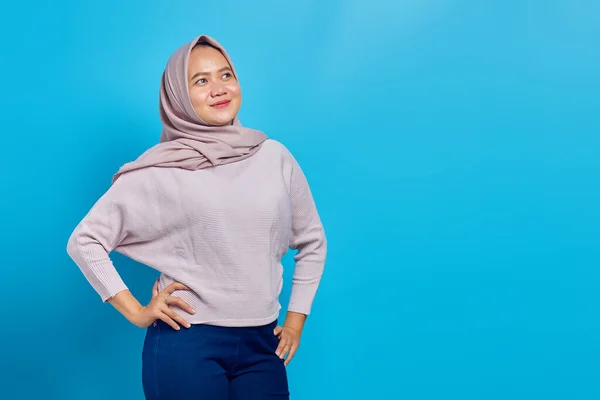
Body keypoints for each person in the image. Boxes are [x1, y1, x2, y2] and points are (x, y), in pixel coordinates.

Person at [66, 34, 327, 400]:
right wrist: (138, 312)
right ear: (178, 96)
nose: (218, 89)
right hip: (187, 344)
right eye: (201, 81)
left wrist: (296, 320)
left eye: (225, 75)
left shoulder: (274, 157)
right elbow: (85, 241)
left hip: (261, 344)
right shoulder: (161, 169)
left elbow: (312, 240)